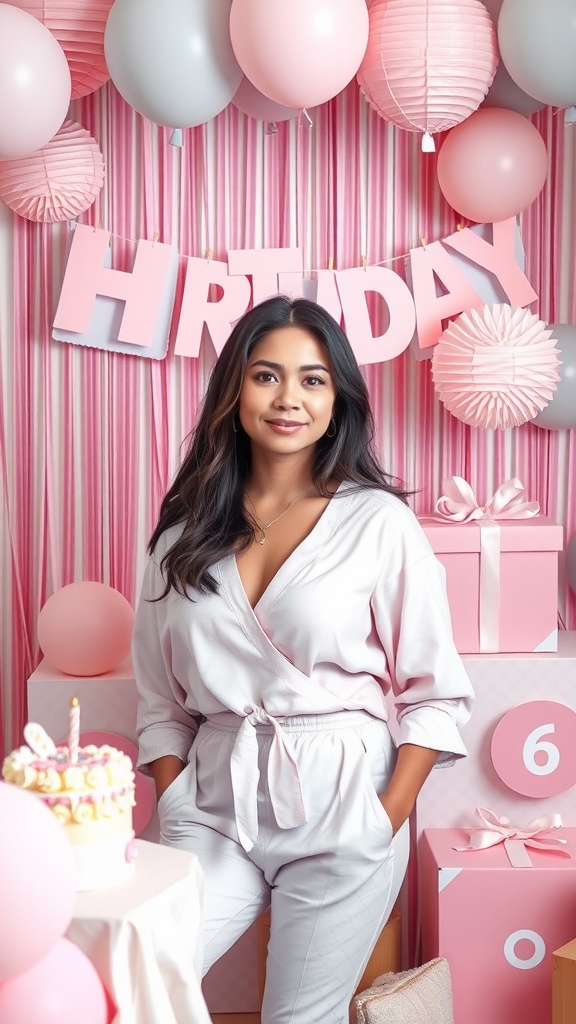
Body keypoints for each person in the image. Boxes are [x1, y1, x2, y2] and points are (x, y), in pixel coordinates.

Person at [132, 295, 474, 1024]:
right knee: (131, 980)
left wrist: (385, 816)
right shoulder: (180, 535)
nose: (290, 398)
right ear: (234, 389)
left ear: (338, 397)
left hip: (346, 796)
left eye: (313, 379)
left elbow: (435, 693)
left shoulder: (379, 524)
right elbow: (161, 702)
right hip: (214, 804)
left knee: (299, 1018)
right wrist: (176, 798)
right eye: (267, 375)